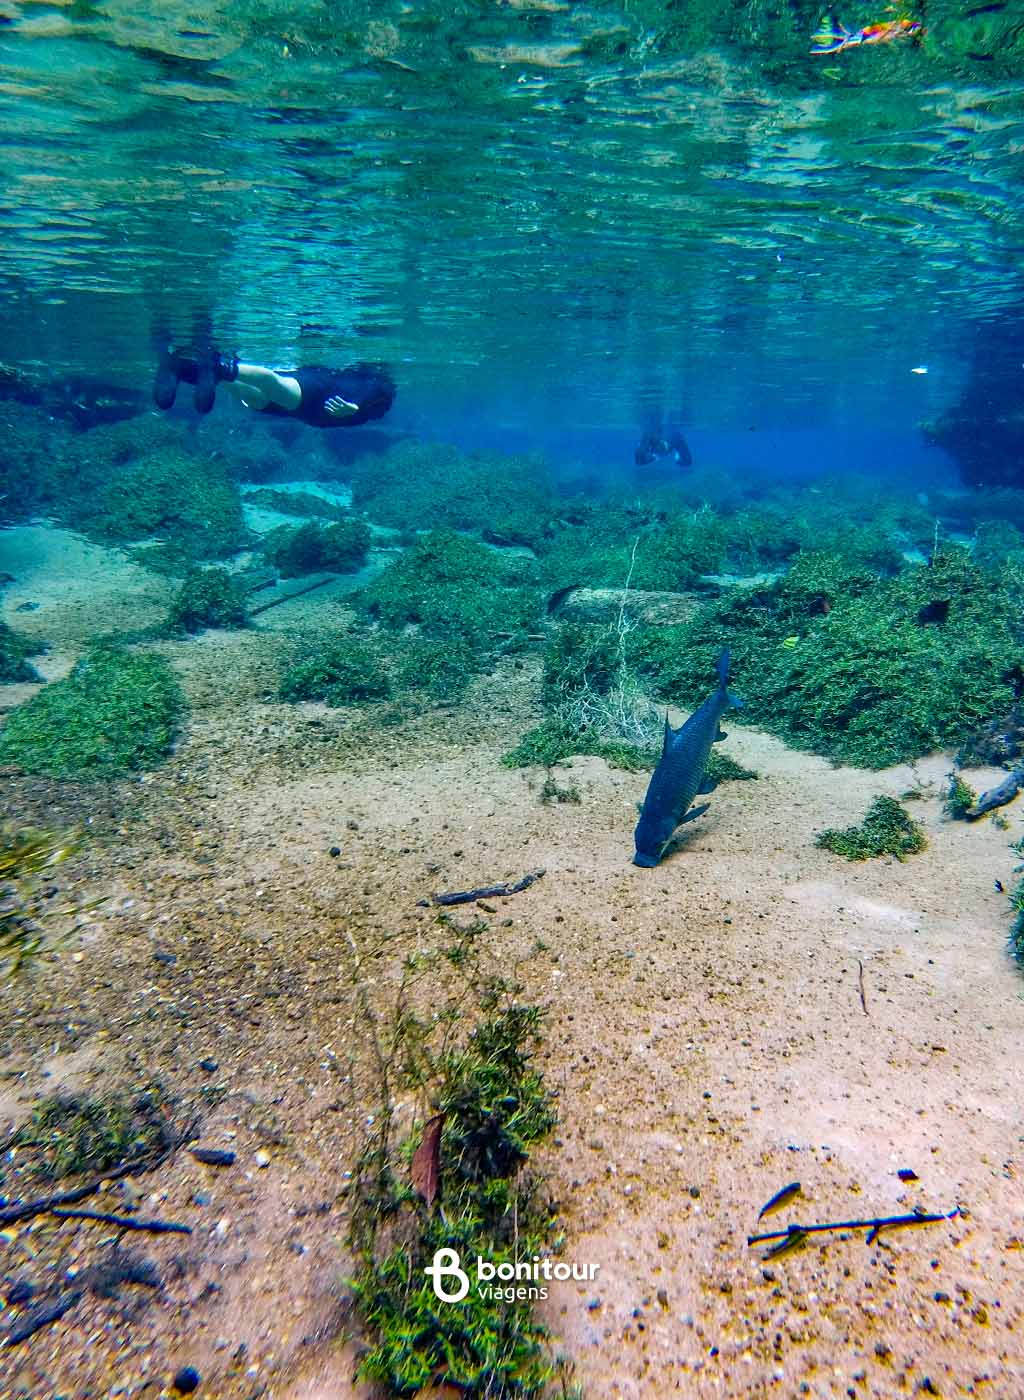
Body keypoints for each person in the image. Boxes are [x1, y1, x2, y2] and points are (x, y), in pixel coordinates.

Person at [153, 347, 396, 427]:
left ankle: (184, 368)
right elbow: (380, 390)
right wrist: (355, 407)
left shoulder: (376, 393)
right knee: (276, 387)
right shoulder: (379, 385)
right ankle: (219, 365)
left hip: (311, 410)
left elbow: (378, 395)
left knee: (256, 398)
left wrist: (356, 407)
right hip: (323, 394)